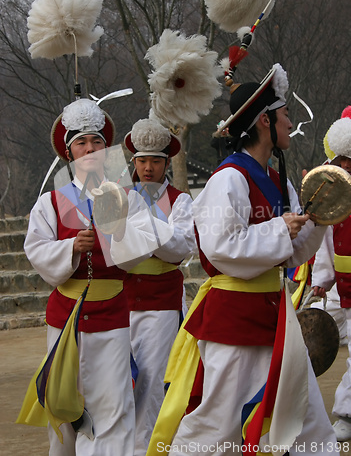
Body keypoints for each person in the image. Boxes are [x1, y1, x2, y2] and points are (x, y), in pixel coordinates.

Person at [146, 64, 339, 456]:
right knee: (216, 426)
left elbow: (292, 252)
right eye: (285, 115)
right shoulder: (228, 178)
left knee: (307, 419)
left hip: (275, 316)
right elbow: (219, 248)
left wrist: (320, 219)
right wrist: (279, 230)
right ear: (265, 121)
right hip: (234, 317)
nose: (290, 122)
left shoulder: (278, 180)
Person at [20, 98, 135, 456]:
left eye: (97, 141)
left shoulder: (126, 195)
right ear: (69, 151)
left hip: (113, 315)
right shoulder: (50, 202)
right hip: (65, 314)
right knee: (64, 399)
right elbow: (36, 249)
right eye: (81, 142)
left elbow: (143, 249)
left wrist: (118, 235)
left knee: (113, 402)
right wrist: (71, 247)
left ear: (106, 149)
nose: (90, 148)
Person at [110, 117, 196, 456]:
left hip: (162, 304)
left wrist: (141, 227)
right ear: (134, 162)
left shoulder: (180, 201)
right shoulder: (121, 197)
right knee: (122, 382)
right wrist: (153, 234)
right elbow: (115, 249)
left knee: (153, 383)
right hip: (124, 301)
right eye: (142, 161)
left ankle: (150, 449)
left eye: (155, 161)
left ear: (166, 163)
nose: (148, 168)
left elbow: (181, 247)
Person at [311, 109, 351, 441]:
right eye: (343, 158)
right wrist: (322, 279)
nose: (348, 164)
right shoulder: (332, 188)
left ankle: (346, 413)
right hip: (343, 286)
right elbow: (324, 237)